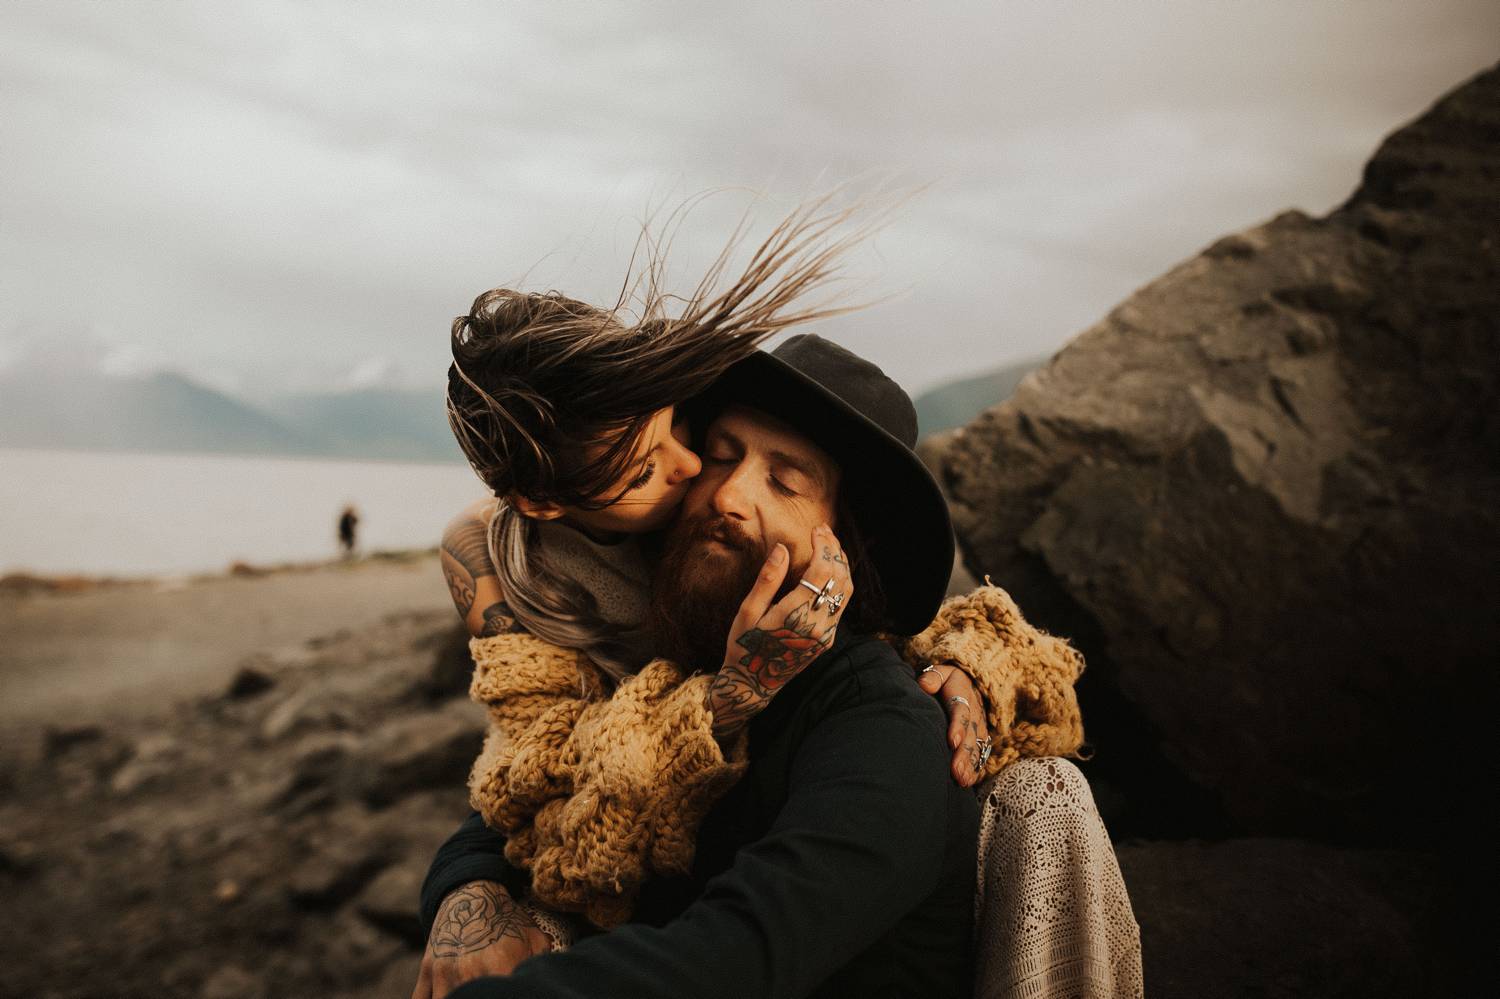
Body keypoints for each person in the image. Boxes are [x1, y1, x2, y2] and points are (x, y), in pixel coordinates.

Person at [422, 334, 981, 999]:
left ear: (848, 544)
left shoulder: (882, 727)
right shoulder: (669, 664)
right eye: (721, 455)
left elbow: (736, 956)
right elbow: (530, 793)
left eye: (784, 481)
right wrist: (469, 885)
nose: (729, 494)